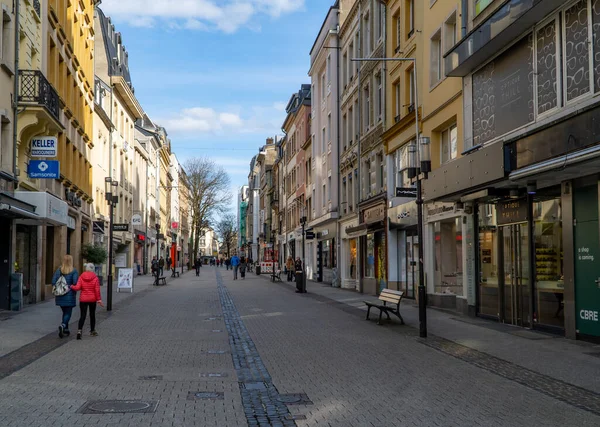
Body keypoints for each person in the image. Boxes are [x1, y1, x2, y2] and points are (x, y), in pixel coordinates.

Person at [70, 263, 103, 340]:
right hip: (92, 299)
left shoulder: (81, 277)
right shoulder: (95, 278)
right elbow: (97, 290)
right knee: (92, 315)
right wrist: (99, 299)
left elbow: (77, 287)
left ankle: (79, 331)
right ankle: (92, 331)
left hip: (83, 299)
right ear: (93, 269)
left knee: (83, 315)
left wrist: (71, 286)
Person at [52, 255, 79, 338]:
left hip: (60, 294)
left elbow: (53, 281)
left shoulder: (59, 270)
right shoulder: (74, 271)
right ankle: (63, 325)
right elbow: (75, 282)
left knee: (64, 312)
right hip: (69, 294)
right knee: (68, 313)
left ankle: (66, 329)